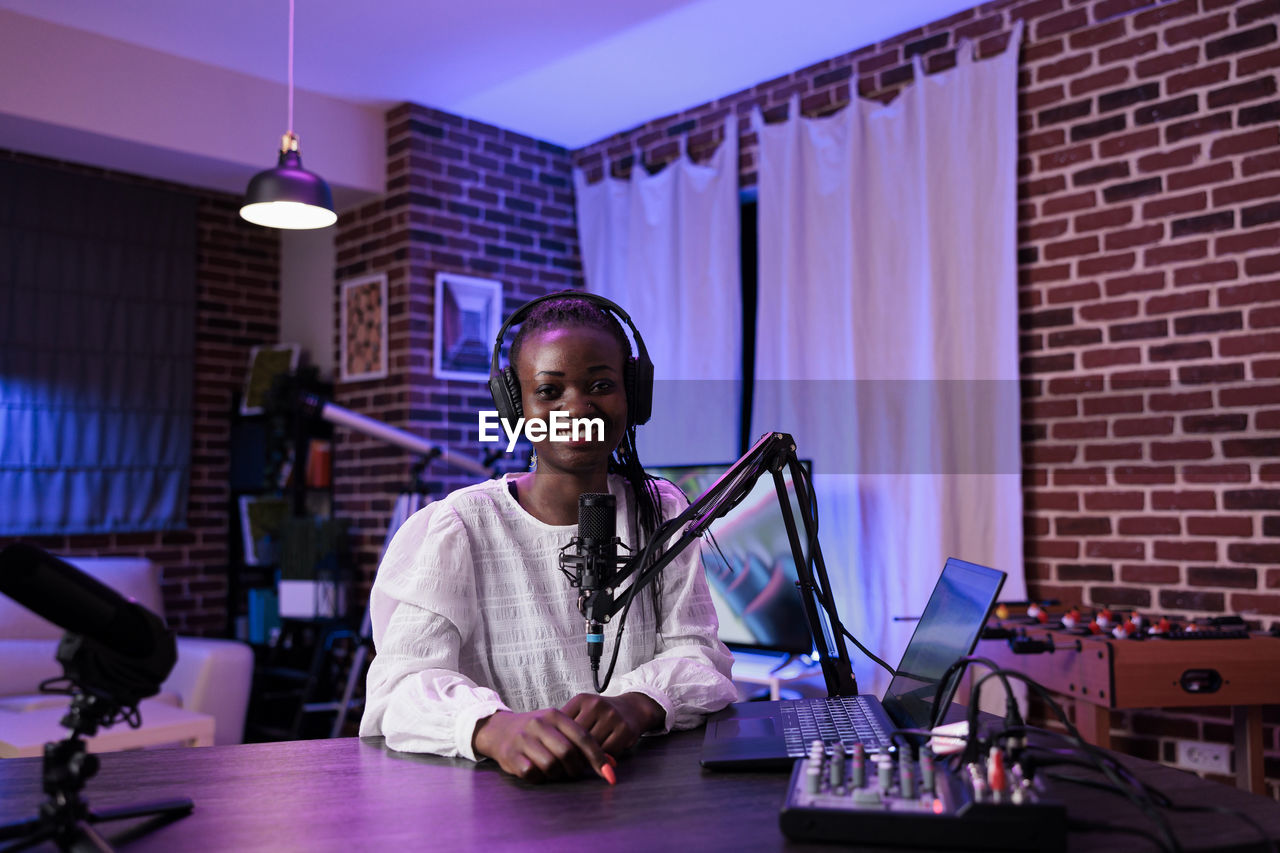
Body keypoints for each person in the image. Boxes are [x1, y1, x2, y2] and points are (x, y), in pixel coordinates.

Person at [359, 293, 737, 783]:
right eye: (549, 391)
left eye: (600, 384)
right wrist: (492, 728)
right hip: (496, 810)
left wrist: (640, 703)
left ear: (634, 396)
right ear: (515, 406)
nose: (577, 407)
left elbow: (699, 654)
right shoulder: (458, 529)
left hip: (636, 795)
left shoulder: (660, 511)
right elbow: (401, 685)